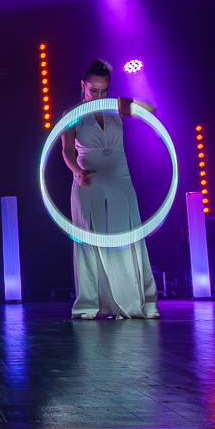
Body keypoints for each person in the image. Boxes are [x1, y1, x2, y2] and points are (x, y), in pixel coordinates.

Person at [59, 60, 160, 320]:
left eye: (104, 90)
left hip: (118, 176)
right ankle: (89, 305)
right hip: (87, 177)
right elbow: (67, 150)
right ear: (83, 85)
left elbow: (151, 109)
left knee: (127, 236)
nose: (98, 96)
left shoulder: (115, 106)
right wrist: (77, 171)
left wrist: (127, 104)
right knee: (88, 240)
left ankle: (140, 302)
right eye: (93, 90)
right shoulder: (72, 114)